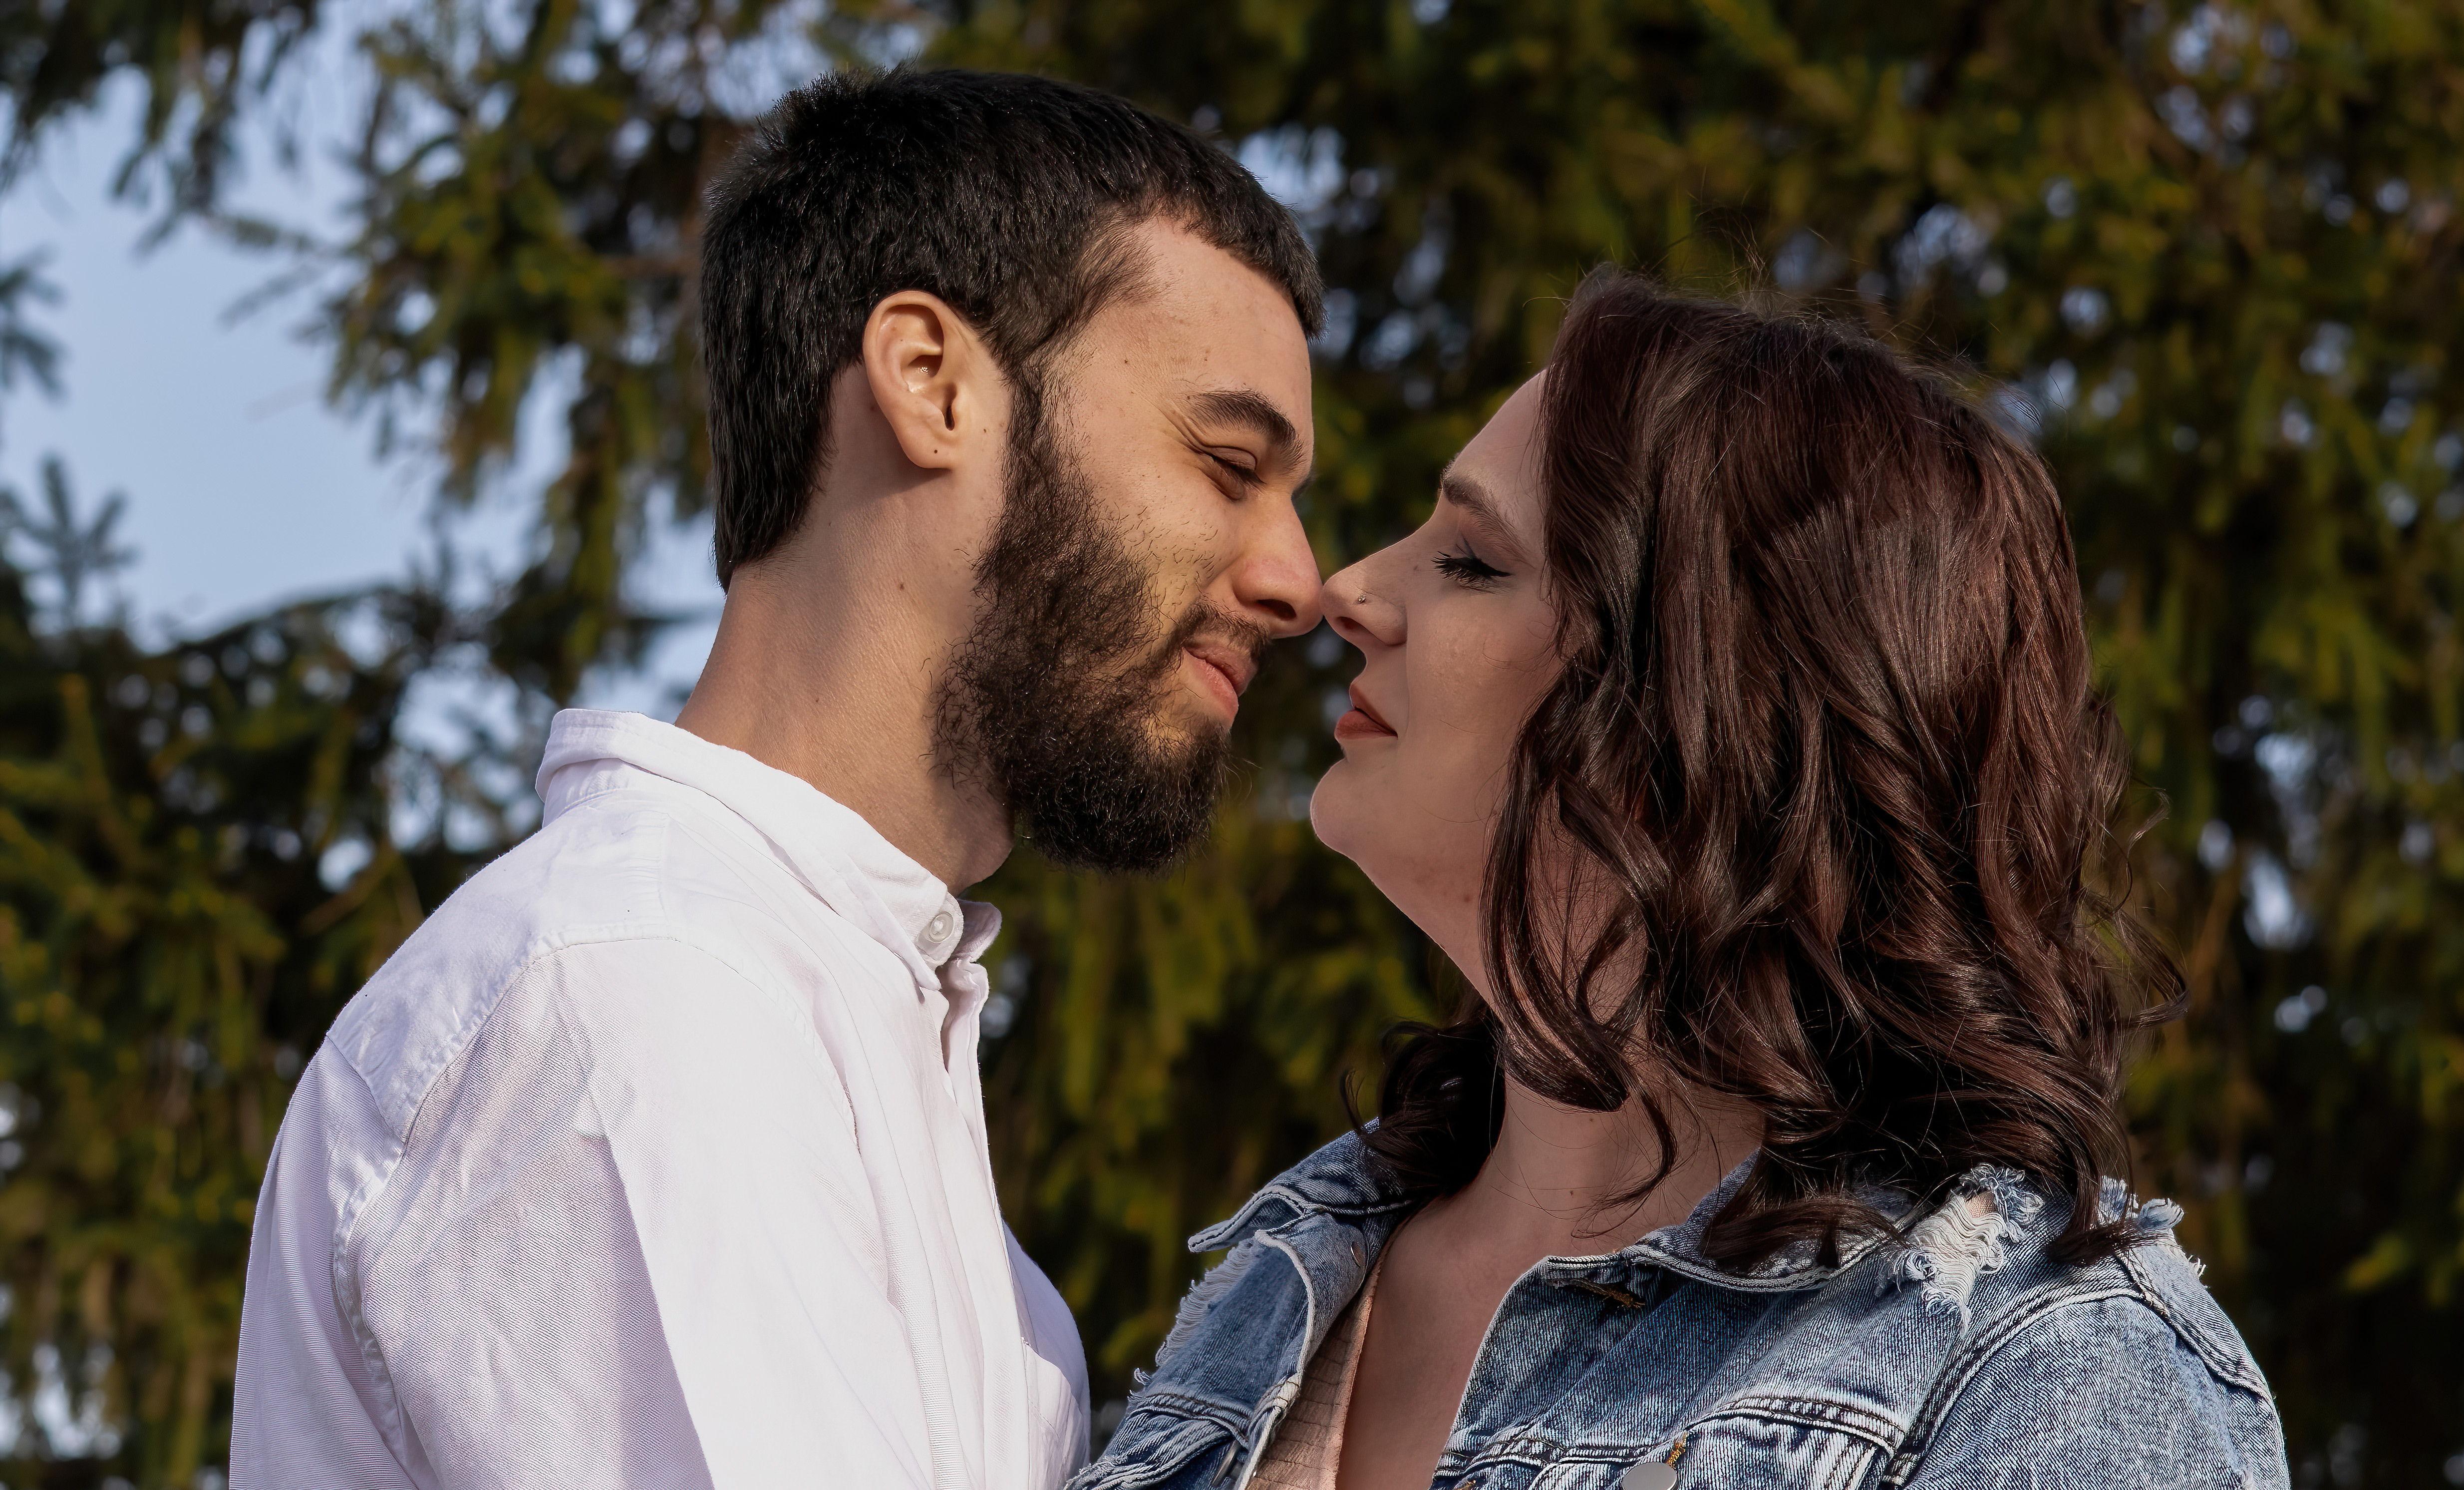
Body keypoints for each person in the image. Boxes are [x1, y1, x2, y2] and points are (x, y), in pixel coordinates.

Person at [231, 67, 1325, 1490]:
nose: (1297, 579)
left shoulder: (856, 1078)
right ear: (931, 383)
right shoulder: (644, 991)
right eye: (1226, 462)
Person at [1077, 272, 2289, 1490]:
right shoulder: (1285, 1276)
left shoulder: (2047, 1368)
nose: (1348, 590)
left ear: (1714, 703)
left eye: (1474, 560)